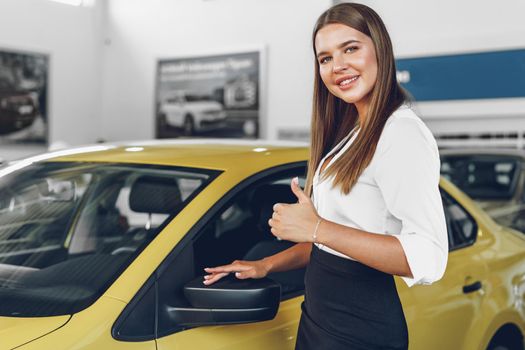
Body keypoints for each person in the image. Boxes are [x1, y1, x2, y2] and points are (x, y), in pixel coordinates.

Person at [203, 3, 448, 349]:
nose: (338, 66)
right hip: (321, 318)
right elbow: (328, 243)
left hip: (359, 329)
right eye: (325, 58)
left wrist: (315, 226)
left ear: (380, 49)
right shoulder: (354, 132)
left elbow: (428, 258)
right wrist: (265, 265)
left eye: (350, 49)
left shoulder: (401, 133)